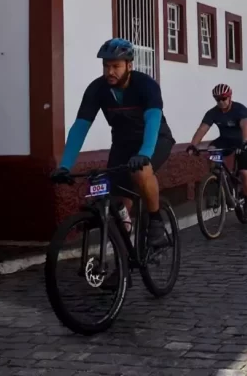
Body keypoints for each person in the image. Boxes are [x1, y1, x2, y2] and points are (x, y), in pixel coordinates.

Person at [51, 39, 175, 247]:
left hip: (155, 139)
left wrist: (144, 154)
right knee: (116, 201)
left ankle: (155, 221)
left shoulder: (146, 85)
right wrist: (65, 165)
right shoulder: (97, 89)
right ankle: (124, 264)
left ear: (129, 65)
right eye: (106, 66)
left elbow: (153, 120)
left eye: (116, 66)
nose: (110, 71)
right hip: (122, 144)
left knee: (141, 172)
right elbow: (80, 128)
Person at [186, 84, 247, 221]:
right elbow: (202, 129)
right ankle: (218, 180)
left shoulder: (240, 109)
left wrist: (246, 142)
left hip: (242, 140)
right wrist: (193, 145)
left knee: (243, 172)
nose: (221, 102)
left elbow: (245, 126)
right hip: (225, 140)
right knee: (212, 150)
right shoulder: (213, 113)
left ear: (230, 97)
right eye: (218, 99)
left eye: (224, 98)